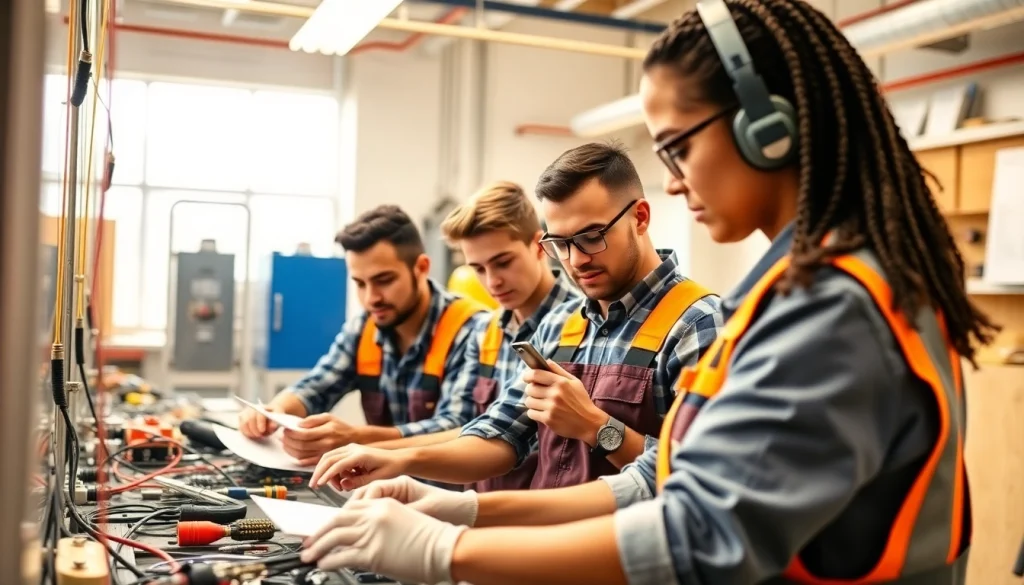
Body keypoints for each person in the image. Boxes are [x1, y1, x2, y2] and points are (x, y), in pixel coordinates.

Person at [299, 1, 997, 584]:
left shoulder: (830, 308)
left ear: (768, 127)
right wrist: (462, 511)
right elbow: (653, 482)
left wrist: (444, 552)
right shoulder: (788, 295)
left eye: (678, 147)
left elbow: (702, 533)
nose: (671, 179)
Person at [309, 142, 723, 494]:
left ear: (641, 218)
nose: (576, 260)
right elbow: (497, 438)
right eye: (561, 243)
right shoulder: (559, 325)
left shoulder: (698, 325)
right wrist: (394, 461)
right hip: (542, 552)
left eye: (592, 237)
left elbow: (704, 480)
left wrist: (598, 428)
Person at [350, 180, 580, 493]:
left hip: (545, 519)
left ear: (538, 246)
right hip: (482, 512)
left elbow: (505, 437)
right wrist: (385, 452)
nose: (493, 281)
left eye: (503, 262)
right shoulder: (485, 332)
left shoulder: (580, 325)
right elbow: (462, 427)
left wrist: (386, 449)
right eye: (478, 268)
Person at [238, 205, 490, 466]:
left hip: (448, 497)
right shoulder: (363, 327)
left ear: (421, 268)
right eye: (360, 283)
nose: (371, 298)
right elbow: (317, 386)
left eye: (384, 280)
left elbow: (458, 428)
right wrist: (274, 411)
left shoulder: (472, 330)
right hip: (380, 491)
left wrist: (355, 438)